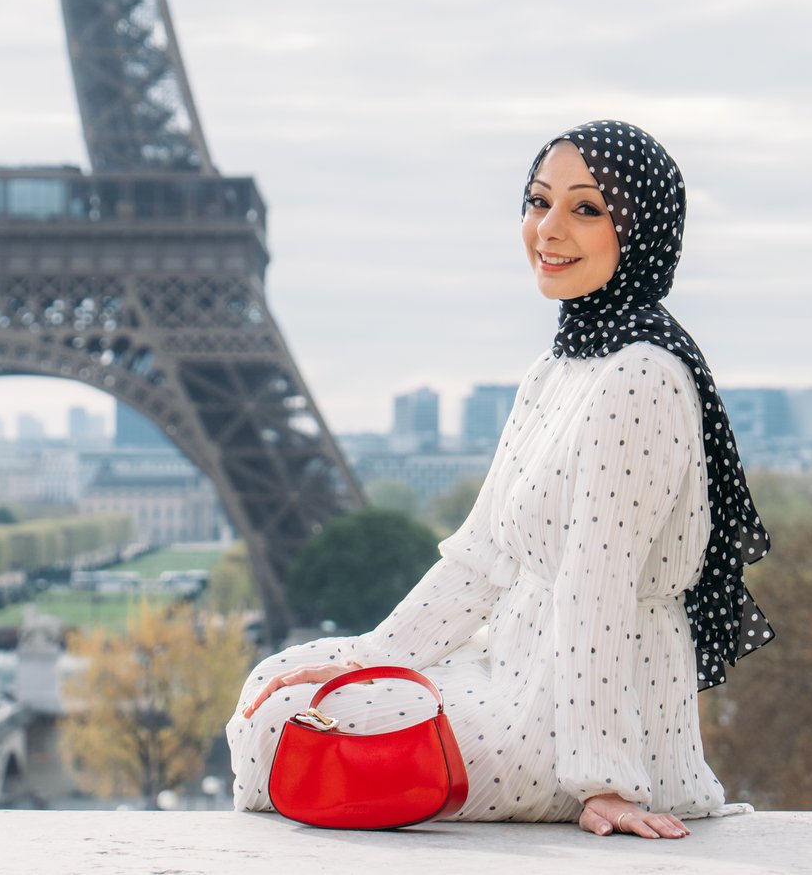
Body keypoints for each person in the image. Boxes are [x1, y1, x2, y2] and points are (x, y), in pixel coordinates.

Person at [227, 120, 775, 839]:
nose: (548, 229)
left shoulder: (640, 378)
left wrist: (604, 780)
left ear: (642, 231)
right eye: (538, 201)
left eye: (586, 208)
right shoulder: (556, 370)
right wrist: (365, 659)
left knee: (282, 732)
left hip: (571, 729)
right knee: (277, 686)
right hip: (509, 673)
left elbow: (598, 590)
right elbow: (481, 558)